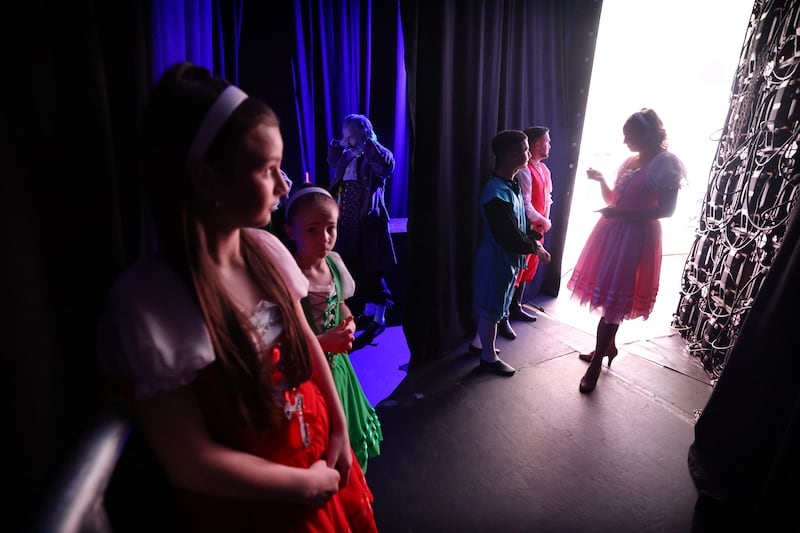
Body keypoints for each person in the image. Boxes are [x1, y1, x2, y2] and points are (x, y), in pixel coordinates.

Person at [96, 62, 377, 532]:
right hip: (261, 501)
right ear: (207, 179)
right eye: (268, 170)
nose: (285, 185)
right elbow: (191, 460)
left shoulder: (267, 251)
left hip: (318, 457)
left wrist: (341, 431)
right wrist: (301, 486)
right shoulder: (152, 300)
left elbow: (306, 340)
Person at [568, 108, 686, 394]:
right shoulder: (630, 162)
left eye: (629, 135)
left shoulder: (665, 164)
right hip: (614, 233)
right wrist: (601, 182)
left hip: (636, 237)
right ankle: (608, 347)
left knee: (612, 303)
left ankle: (596, 364)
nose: (624, 142)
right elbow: (614, 199)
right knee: (612, 298)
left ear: (646, 135)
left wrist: (620, 212)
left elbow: (667, 211)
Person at [283, 182, 383, 473]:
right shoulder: (288, 274)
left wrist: (348, 320)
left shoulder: (334, 263)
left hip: (338, 367)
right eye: (312, 230)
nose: (324, 238)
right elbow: (287, 335)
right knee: (320, 436)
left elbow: (339, 302)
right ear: (291, 232)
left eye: (331, 228)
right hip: (308, 370)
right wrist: (323, 341)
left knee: (347, 424)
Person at [471, 130, 551, 377]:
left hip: (507, 260)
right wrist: (535, 247)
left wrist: (533, 237)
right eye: (526, 149)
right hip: (496, 259)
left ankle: (479, 343)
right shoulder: (496, 191)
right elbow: (507, 234)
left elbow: (520, 224)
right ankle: (488, 357)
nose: (529, 154)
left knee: (497, 306)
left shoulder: (511, 185)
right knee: (492, 307)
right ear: (513, 154)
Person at [327, 114, 396, 344]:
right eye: (347, 135)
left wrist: (366, 144)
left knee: (373, 271)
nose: (349, 141)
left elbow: (383, 167)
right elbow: (333, 162)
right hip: (348, 222)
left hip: (368, 222)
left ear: (365, 133)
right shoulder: (347, 156)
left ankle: (380, 317)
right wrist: (338, 146)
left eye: (353, 136)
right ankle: (367, 312)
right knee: (354, 268)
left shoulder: (380, 153)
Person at [505, 126, 554, 326]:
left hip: (538, 229)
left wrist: (545, 221)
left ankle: (516, 306)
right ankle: (505, 314)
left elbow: (548, 198)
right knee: (517, 270)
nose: (549, 145)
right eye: (547, 141)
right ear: (536, 144)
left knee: (528, 269)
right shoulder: (526, 171)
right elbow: (526, 204)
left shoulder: (544, 170)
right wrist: (541, 221)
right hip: (526, 229)